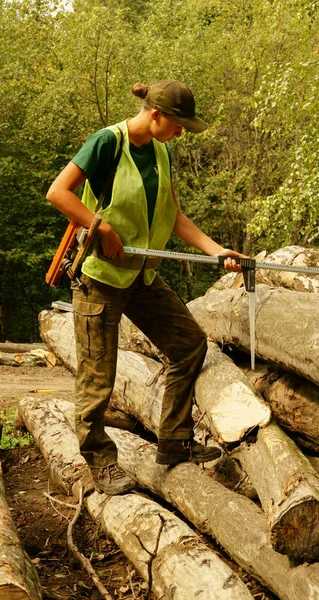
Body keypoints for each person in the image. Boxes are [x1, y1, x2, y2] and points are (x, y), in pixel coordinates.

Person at [46, 79, 245, 496]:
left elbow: (173, 215)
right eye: (178, 126)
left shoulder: (161, 151)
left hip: (142, 276)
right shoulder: (107, 143)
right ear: (156, 115)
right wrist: (99, 226)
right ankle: (99, 462)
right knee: (97, 375)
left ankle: (173, 442)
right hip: (101, 277)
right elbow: (58, 192)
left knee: (189, 343)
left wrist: (216, 249)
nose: (180, 134)